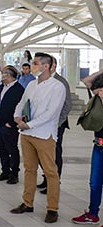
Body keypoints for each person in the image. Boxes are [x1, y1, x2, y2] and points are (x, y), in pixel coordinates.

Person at [10, 53, 66, 224]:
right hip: (27, 134)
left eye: (35, 64)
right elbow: (22, 102)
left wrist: (30, 124)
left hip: (44, 134)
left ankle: (52, 208)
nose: (32, 66)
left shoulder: (57, 87)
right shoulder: (32, 84)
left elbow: (51, 113)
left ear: (46, 66)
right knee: (29, 169)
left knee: (50, 172)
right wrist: (17, 117)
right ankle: (28, 203)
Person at [72, 72, 103, 227]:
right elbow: (86, 81)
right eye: (99, 91)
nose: (99, 94)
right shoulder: (98, 99)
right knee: (95, 183)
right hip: (99, 147)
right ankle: (92, 214)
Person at [38, 56, 72, 195]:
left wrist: (58, 122)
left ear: (52, 66)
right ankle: (46, 178)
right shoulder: (42, 81)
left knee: (55, 153)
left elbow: (67, 104)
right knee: (43, 153)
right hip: (42, 124)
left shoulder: (61, 82)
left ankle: (54, 182)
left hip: (56, 125)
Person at [0, 66, 25, 184]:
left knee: (12, 149)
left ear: (8, 75)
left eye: (2, 73)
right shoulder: (1, 87)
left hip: (9, 125)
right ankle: (5, 171)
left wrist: (11, 123)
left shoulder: (19, 89)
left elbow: (20, 108)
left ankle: (14, 173)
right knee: (2, 148)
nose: (0, 75)